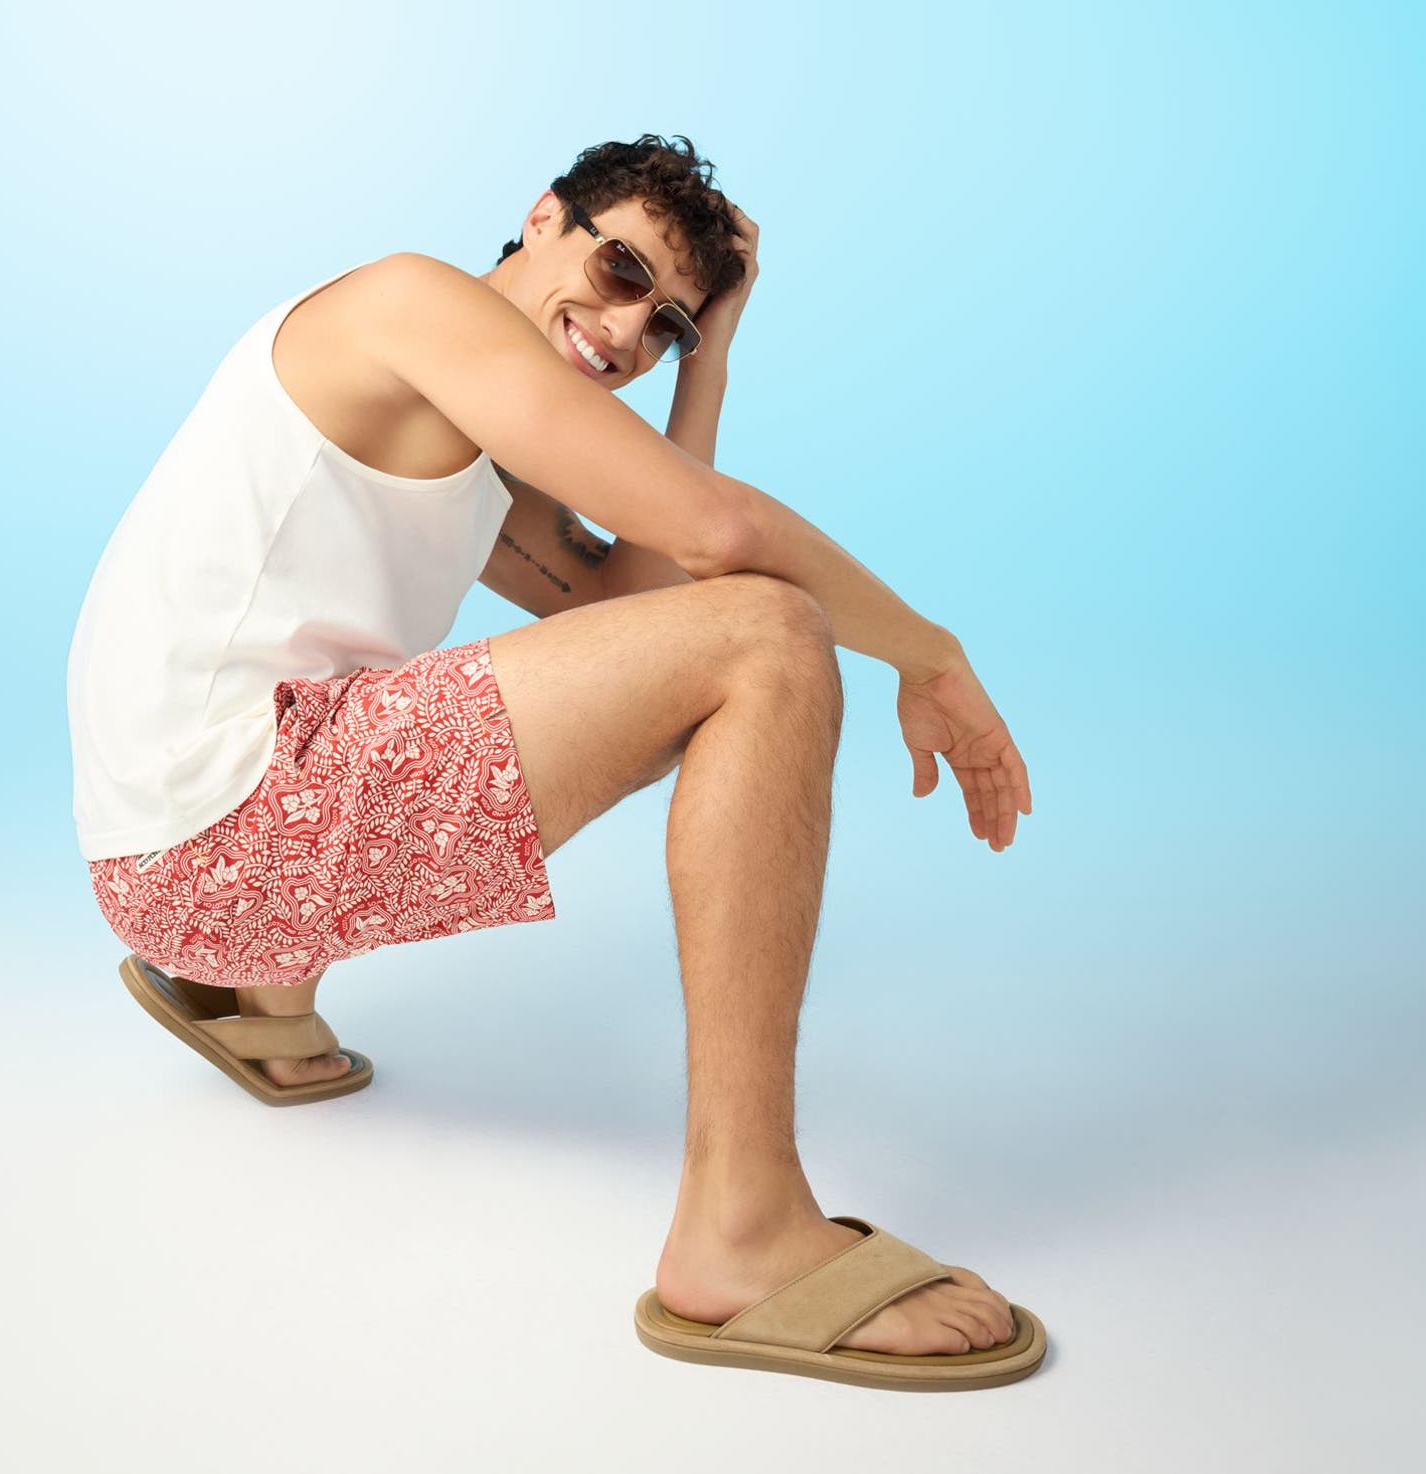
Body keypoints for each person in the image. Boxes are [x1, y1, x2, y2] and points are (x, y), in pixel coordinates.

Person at [68, 135, 1038, 1383]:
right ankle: (740, 1229)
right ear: (541, 219)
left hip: (178, 864)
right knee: (771, 637)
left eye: (667, 325)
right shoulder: (414, 303)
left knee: (717, 634)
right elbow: (716, 538)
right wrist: (929, 656)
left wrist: (710, 365)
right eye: (621, 269)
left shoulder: (465, 430)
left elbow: (626, 615)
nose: (628, 331)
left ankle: (261, 994)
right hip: (220, 842)